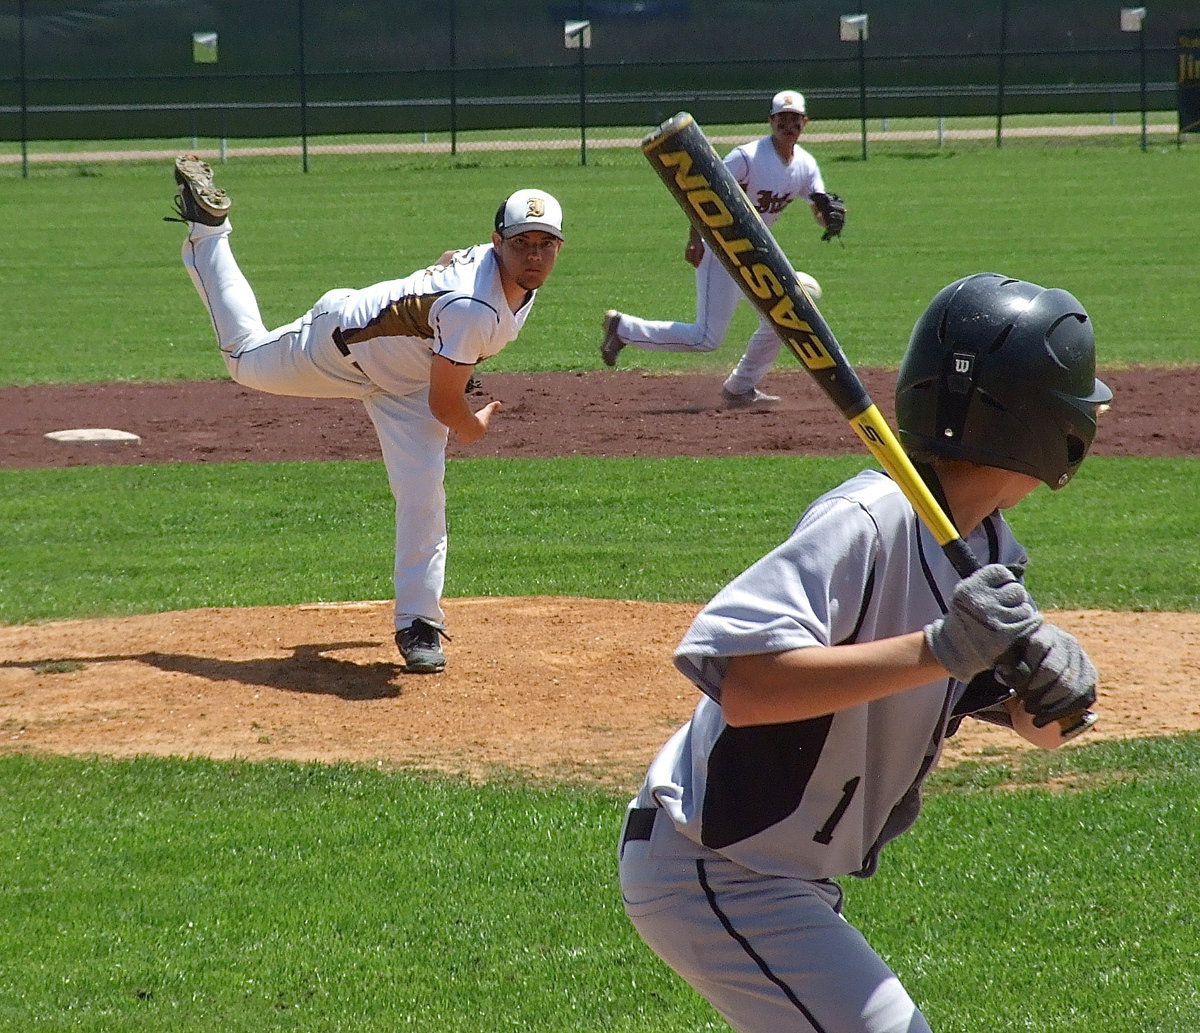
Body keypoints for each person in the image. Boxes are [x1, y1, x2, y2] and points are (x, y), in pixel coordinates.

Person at [617, 272, 1111, 1033]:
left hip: (783, 874)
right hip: (712, 866)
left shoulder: (988, 553)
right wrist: (938, 649)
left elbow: (1027, 723)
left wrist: (1056, 698)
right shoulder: (865, 520)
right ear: (1041, 424)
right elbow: (746, 685)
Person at [167, 155, 565, 674]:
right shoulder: (475, 306)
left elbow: (451, 266)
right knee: (243, 358)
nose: (533, 255)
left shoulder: (510, 282)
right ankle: (208, 230)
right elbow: (446, 406)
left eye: (545, 243)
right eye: (521, 243)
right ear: (497, 243)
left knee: (423, 494)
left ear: (559, 247)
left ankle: (418, 624)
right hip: (337, 349)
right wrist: (472, 426)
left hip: (404, 381)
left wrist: (450, 356)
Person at [600, 89, 845, 408]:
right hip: (722, 248)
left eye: (795, 120)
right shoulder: (747, 157)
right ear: (771, 122)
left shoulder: (806, 166)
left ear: (805, 123)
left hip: (759, 253)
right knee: (706, 338)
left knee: (793, 312)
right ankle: (624, 329)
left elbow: (820, 208)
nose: (789, 125)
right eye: (782, 119)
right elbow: (701, 190)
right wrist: (694, 239)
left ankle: (741, 387)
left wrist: (830, 217)